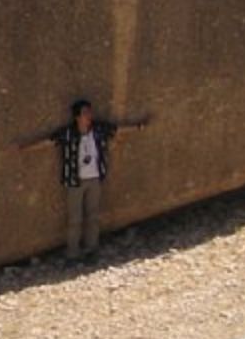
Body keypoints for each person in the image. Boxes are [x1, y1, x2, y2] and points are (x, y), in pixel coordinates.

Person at [17, 100, 149, 259]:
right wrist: (25, 148)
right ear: (77, 117)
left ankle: (91, 249)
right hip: (75, 181)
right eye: (86, 113)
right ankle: (73, 253)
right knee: (75, 219)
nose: (89, 116)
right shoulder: (68, 133)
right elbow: (49, 141)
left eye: (90, 112)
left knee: (93, 216)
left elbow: (117, 129)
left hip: (94, 179)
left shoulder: (98, 129)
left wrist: (139, 126)